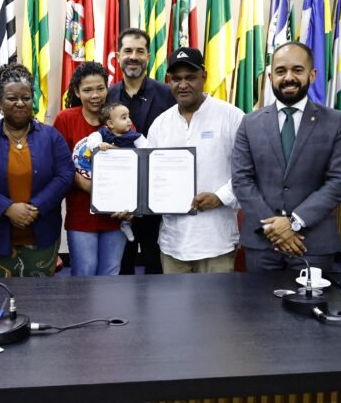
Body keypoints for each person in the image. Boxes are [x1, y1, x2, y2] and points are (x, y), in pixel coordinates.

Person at [231, 41, 341, 272]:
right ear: (271, 77)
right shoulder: (249, 123)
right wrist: (274, 228)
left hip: (313, 244)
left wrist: (294, 222)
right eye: (280, 71)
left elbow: (339, 182)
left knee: (312, 298)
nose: (289, 77)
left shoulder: (336, 122)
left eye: (297, 70)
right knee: (259, 298)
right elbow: (241, 180)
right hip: (262, 242)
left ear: (312, 75)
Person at [0, 64, 74, 277]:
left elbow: (65, 175)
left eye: (26, 97)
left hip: (41, 238)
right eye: (12, 98)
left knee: (39, 295)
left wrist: (36, 207)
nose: (20, 103)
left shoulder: (51, 137)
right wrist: (7, 208)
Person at [147, 47, 244, 274]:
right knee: (173, 300)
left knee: (216, 300)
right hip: (172, 245)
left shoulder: (232, 117)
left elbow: (248, 171)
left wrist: (220, 197)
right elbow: (149, 177)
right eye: (176, 79)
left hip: (217, 243)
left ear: (204, 76)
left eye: (190, 77)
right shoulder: (160, 125)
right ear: (168, 81)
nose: (183, 85)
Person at [107, 28, 176, 275]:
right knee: (121, 269)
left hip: (156, 197)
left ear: (148, 56)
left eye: (140, 51)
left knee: (156, 267)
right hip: (119, 202)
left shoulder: (168, 94)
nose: (133, 57)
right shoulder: (107, 96)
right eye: (127, 51)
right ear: (118, 56)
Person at [53, 61, 126, 276]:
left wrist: (132, 205)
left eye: (100, 88)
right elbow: (58, 164)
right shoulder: (66, 119)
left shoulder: (120, 119)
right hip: (81, 215)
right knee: (84, 273)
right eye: (87, 90)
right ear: (77, 91)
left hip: (116, 215)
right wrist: (85, 184)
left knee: (111, 273)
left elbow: (134, 163)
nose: (95, 95)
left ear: (107, 88)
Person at [82, 102, 150, 242]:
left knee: (133, 199)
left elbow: (148, 150)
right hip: (109, 177)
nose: (129, 120)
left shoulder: (135, 136)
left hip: (128, 176)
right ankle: (109, 213)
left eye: (129, 116)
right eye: (124, 118)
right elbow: (91, 140)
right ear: (110, 124)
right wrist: (98, 145)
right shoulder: (102, 133)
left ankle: (126, 223)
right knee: (110, 196)